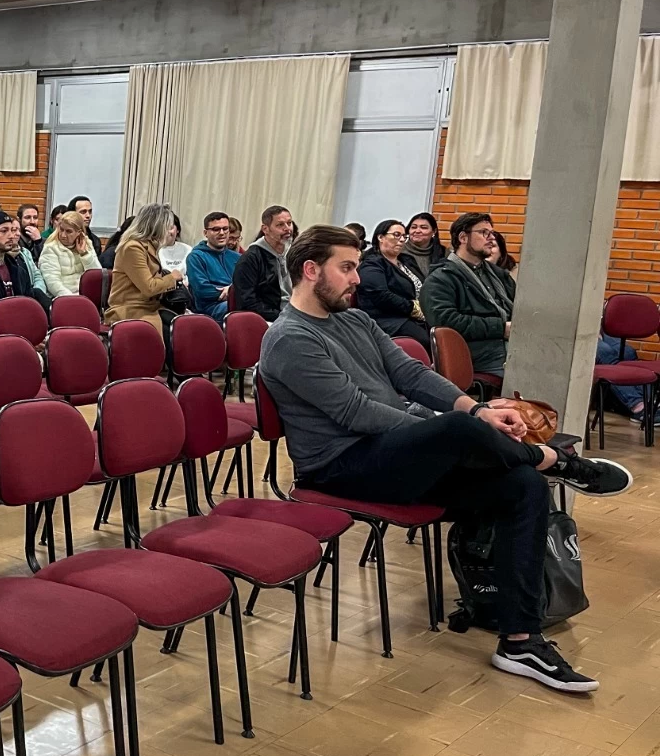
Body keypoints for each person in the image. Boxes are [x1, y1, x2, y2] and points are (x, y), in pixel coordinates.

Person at [258, 225, 630, 694]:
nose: (357, 278)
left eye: (355, 266)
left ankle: (520, 639)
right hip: (342, 468)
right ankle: (554, 460)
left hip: (393, 457)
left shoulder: (354, 320)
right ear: (311, 271)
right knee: (458, 430)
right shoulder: (289, 338)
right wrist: (457, 429)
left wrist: (476, 410)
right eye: (347, 267)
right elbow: (357, 412)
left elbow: (410, 373)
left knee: (523, 487)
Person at [421, 212, 515, 378]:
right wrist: (500, 328)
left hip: (507, 346)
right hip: (476, 354)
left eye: (492, 233)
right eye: (484, 233)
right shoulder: (441, 279)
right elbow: (446, 322)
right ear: (463, 237)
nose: (491, 238)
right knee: (539, 372)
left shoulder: (498, 274)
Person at [105, 203, 185, 329]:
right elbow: (149, 288)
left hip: (151, 306)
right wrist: (172, 278)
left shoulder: (150, 246)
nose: (170, 232)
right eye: (168, 227)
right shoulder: (132, 247)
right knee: (170, 330)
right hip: (130, 309)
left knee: (184, 327)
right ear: (157, 226)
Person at [356, 219, 429, 350]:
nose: (401, 240)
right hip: (388, 319)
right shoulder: (372, 264)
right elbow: (381, 295)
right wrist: (413, 308)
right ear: (381, 237)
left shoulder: (407, 260)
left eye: (404, 237)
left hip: (415, 316)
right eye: (396, 235)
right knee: (426, 342)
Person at [231, 204, 295, 322]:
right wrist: (282, 316)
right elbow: (247, 302)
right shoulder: (250, 258)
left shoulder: (294, 253)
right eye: (280, 225)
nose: (287, 228)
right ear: (265, 229)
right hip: (267, 318)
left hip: (295, 314)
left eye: (289, 223)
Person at [186, 211, 240, 322]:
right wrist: (231, 293)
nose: (222, 233)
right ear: (205, 233)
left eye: (225, 229)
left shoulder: (237, 257)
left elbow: (248, 284)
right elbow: (202, 291)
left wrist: (232, 289)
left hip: (235, 301)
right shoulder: (195, 257)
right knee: (240, 310)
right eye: (216, 229)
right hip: (210, 308)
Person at [38, 209, 102, 296]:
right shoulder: (51, 248)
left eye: (69, 231)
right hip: (62, 298)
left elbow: (96, 276)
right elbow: (52, 282)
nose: (63, 235)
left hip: (85, 296)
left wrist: (84, 254)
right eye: (61, 229)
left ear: (79, 232)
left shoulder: (87, 244)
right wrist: (72, 299)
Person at [401, 211, 443, 279]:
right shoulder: (399, 252)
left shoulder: (444, 254)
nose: (417, 231)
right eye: (414, 227)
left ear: (434, 231)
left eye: (423, 227)